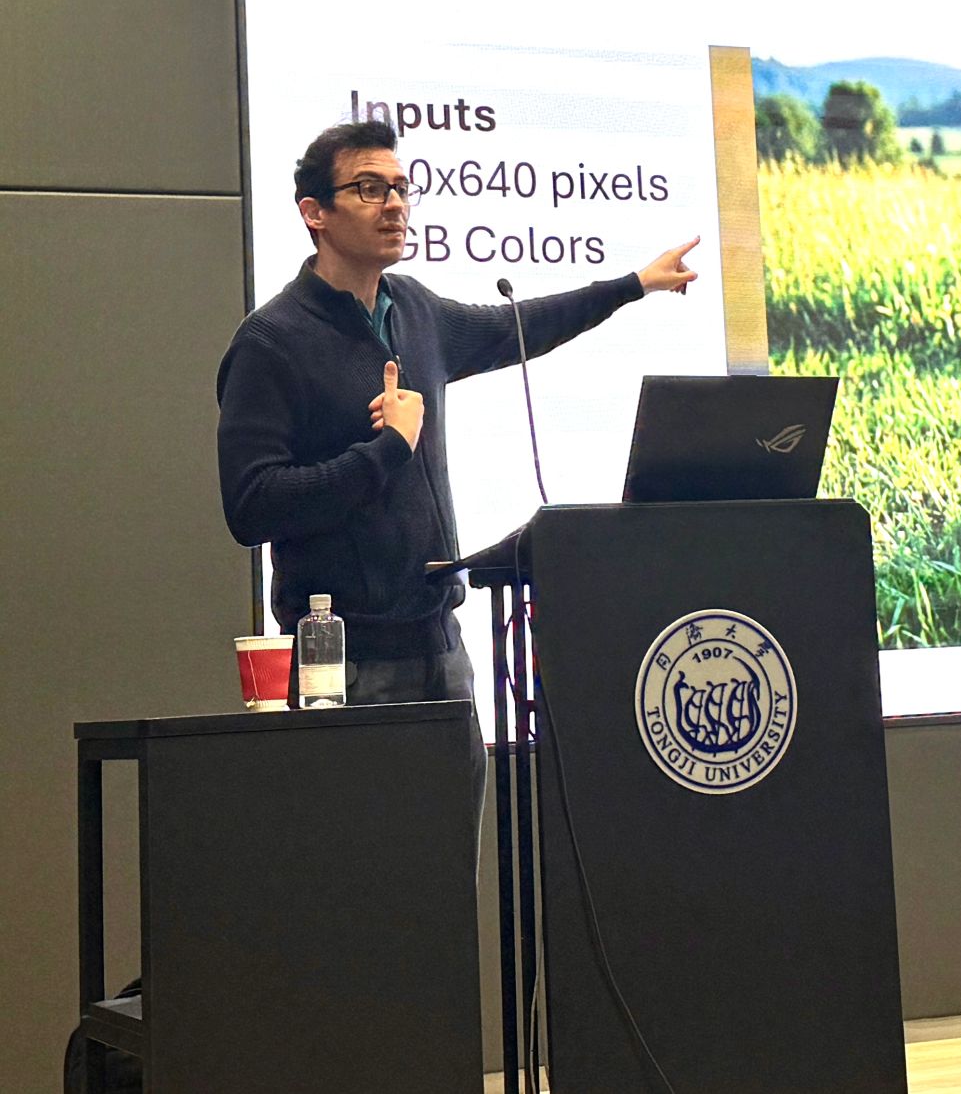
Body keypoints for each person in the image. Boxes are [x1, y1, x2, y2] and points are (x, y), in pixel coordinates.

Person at [215, 119, 700, 750]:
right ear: (315, 213)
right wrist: (385, 451)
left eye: (400, 188)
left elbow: (518, 326)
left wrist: (631, 286)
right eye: (369, 188)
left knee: (455, 820)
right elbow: (252, 507)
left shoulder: (415, 309)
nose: (394, 204)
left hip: (443, 649)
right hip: (343, 665)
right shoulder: (272, 341)